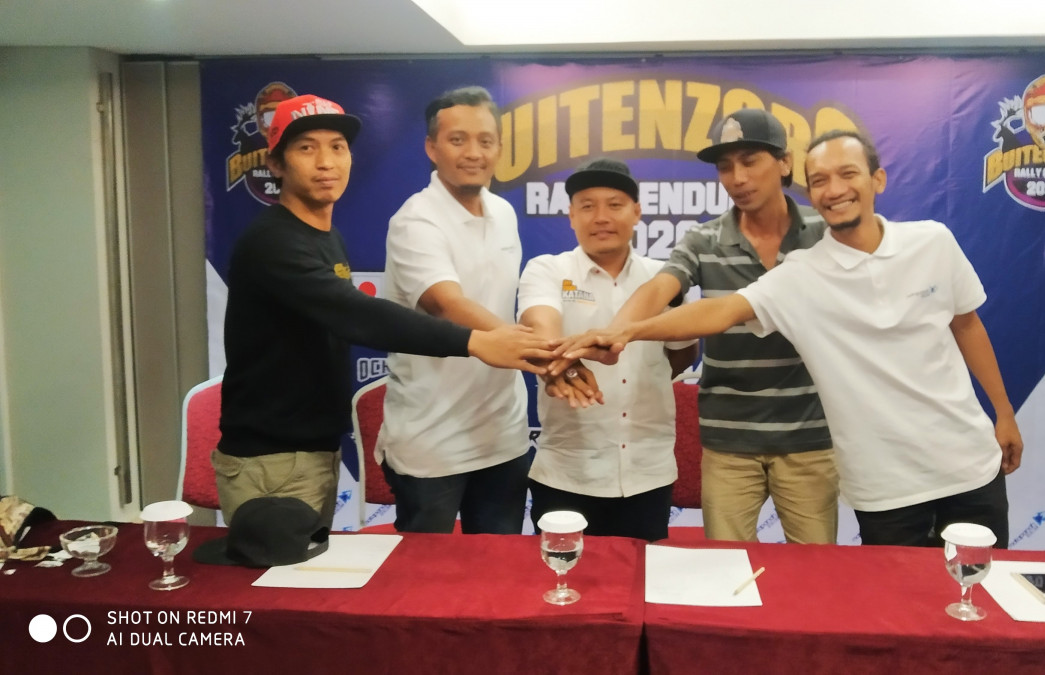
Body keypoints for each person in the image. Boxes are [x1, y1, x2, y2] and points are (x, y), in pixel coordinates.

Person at [560, 129, 1024, 547]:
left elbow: (967, 324)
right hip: (846, 474)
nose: (835, 190)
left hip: (932, 460)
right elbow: (714, 309)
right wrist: (623, 330)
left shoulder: (916, 240)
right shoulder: (795, 269)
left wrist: (1003, 412)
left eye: (847, 174)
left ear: (877, 179)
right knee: (877, 602)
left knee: (968, 598)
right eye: (820, 180)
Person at [217, 94, 552, 530]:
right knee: (286, 569)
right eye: (306, 148)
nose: (326, 162)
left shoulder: (323, 235)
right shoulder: (273, 243)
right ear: (276, 164)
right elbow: (365, 315)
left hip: (319, 449)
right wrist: (483, 342)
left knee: (490, 569)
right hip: (275, 456)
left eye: (337, 147)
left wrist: (529, 346)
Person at [555, 108, 838, 545]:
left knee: (816, 569)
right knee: (725, 569)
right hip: (728, 439)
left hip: (809, 435)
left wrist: (623, 332)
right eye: (725, 167)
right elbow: (661, 286)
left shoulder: (826, 234)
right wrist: (616, 332)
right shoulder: (703, 239)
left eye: (750, 161)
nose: (738, 178)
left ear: (784, 163)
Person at [375, 86, 532, 534]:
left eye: (486, 141)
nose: (474, 153)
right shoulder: (415, 220)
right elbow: (447, 304)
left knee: (499, 569)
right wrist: (536, 351)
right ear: (432, 148)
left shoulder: (504, 213)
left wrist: (530, 347)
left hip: (503, 436)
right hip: (431, 442)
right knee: (426, 574)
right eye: (457, 140)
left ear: (499, 149)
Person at [518, 158, 697, 541]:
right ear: (571, 216)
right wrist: (562, 364)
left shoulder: (664, 279)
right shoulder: (547, 270)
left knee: (641, 573)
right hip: (566, 473)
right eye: (587, 206)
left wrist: (646, 377)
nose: (601, 217)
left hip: (648, 474)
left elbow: (683, 352)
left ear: (637, 212)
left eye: (615, 205)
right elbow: (541, 329)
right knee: (562, 572)